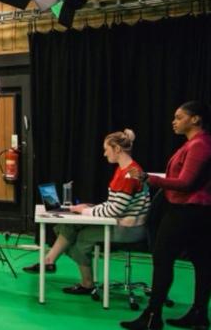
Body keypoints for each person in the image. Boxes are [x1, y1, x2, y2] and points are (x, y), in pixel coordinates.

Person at [23, 129, 150, 295]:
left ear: (117, 149)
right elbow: (115, 204)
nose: (104, 154)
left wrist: (86, 211)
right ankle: (48, 261)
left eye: (106, 149)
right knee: (68, 227)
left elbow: (114, 210)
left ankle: (87, 283)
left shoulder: (128, 174)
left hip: (128, 229)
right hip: (120, 221)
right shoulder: (124, 169)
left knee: (81, 239)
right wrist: (88, 209)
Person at [121, 101, 211, 330]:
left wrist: (147, 178)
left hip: (186, 212)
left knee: (163, 260)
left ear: (195, 119)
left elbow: (186, 183)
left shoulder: (199, 145)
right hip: (196, 213)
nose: (174, 121)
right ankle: (199, 315)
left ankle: (152, 317)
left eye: (179, 117)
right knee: (201, 262)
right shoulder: (194, 144)